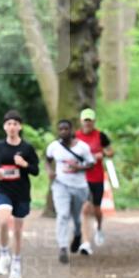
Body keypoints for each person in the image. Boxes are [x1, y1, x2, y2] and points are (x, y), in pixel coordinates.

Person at [0, 110, 40, 278]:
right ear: (4, 127)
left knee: (18, 231)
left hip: (21, 192)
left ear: (20, 127)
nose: (12, 127)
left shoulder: (27, 148)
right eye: (9, 124)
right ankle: (4, 254)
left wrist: (25, 164)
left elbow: (36, 170)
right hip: (3, 190)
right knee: (4, 221)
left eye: (15, 124)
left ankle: (16, 264)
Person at [45, 119, 95, 264]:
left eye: (66, 129)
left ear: (71, 130)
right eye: (61, 129)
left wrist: (78, 168)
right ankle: (62, 247)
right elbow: (47, 160)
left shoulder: (82, 147)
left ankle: (78, 234)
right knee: (63, 214)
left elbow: (91, 164)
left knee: (76, 217)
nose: (63, 132)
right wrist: (50, 171)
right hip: (60, 185)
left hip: (79, 186)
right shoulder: (54, 146)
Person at [75, 108, 114, 251]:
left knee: (96, 208)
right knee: (85, 208)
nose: (87, 123)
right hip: (81, 178)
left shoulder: (100, 136)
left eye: (90, 121)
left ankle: (99, 227)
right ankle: (85, 243)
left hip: (96, 177)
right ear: (81, 121)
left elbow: (111, 152)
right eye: (85, 120)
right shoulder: (75, 137)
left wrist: (102, 153)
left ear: (93, 121)